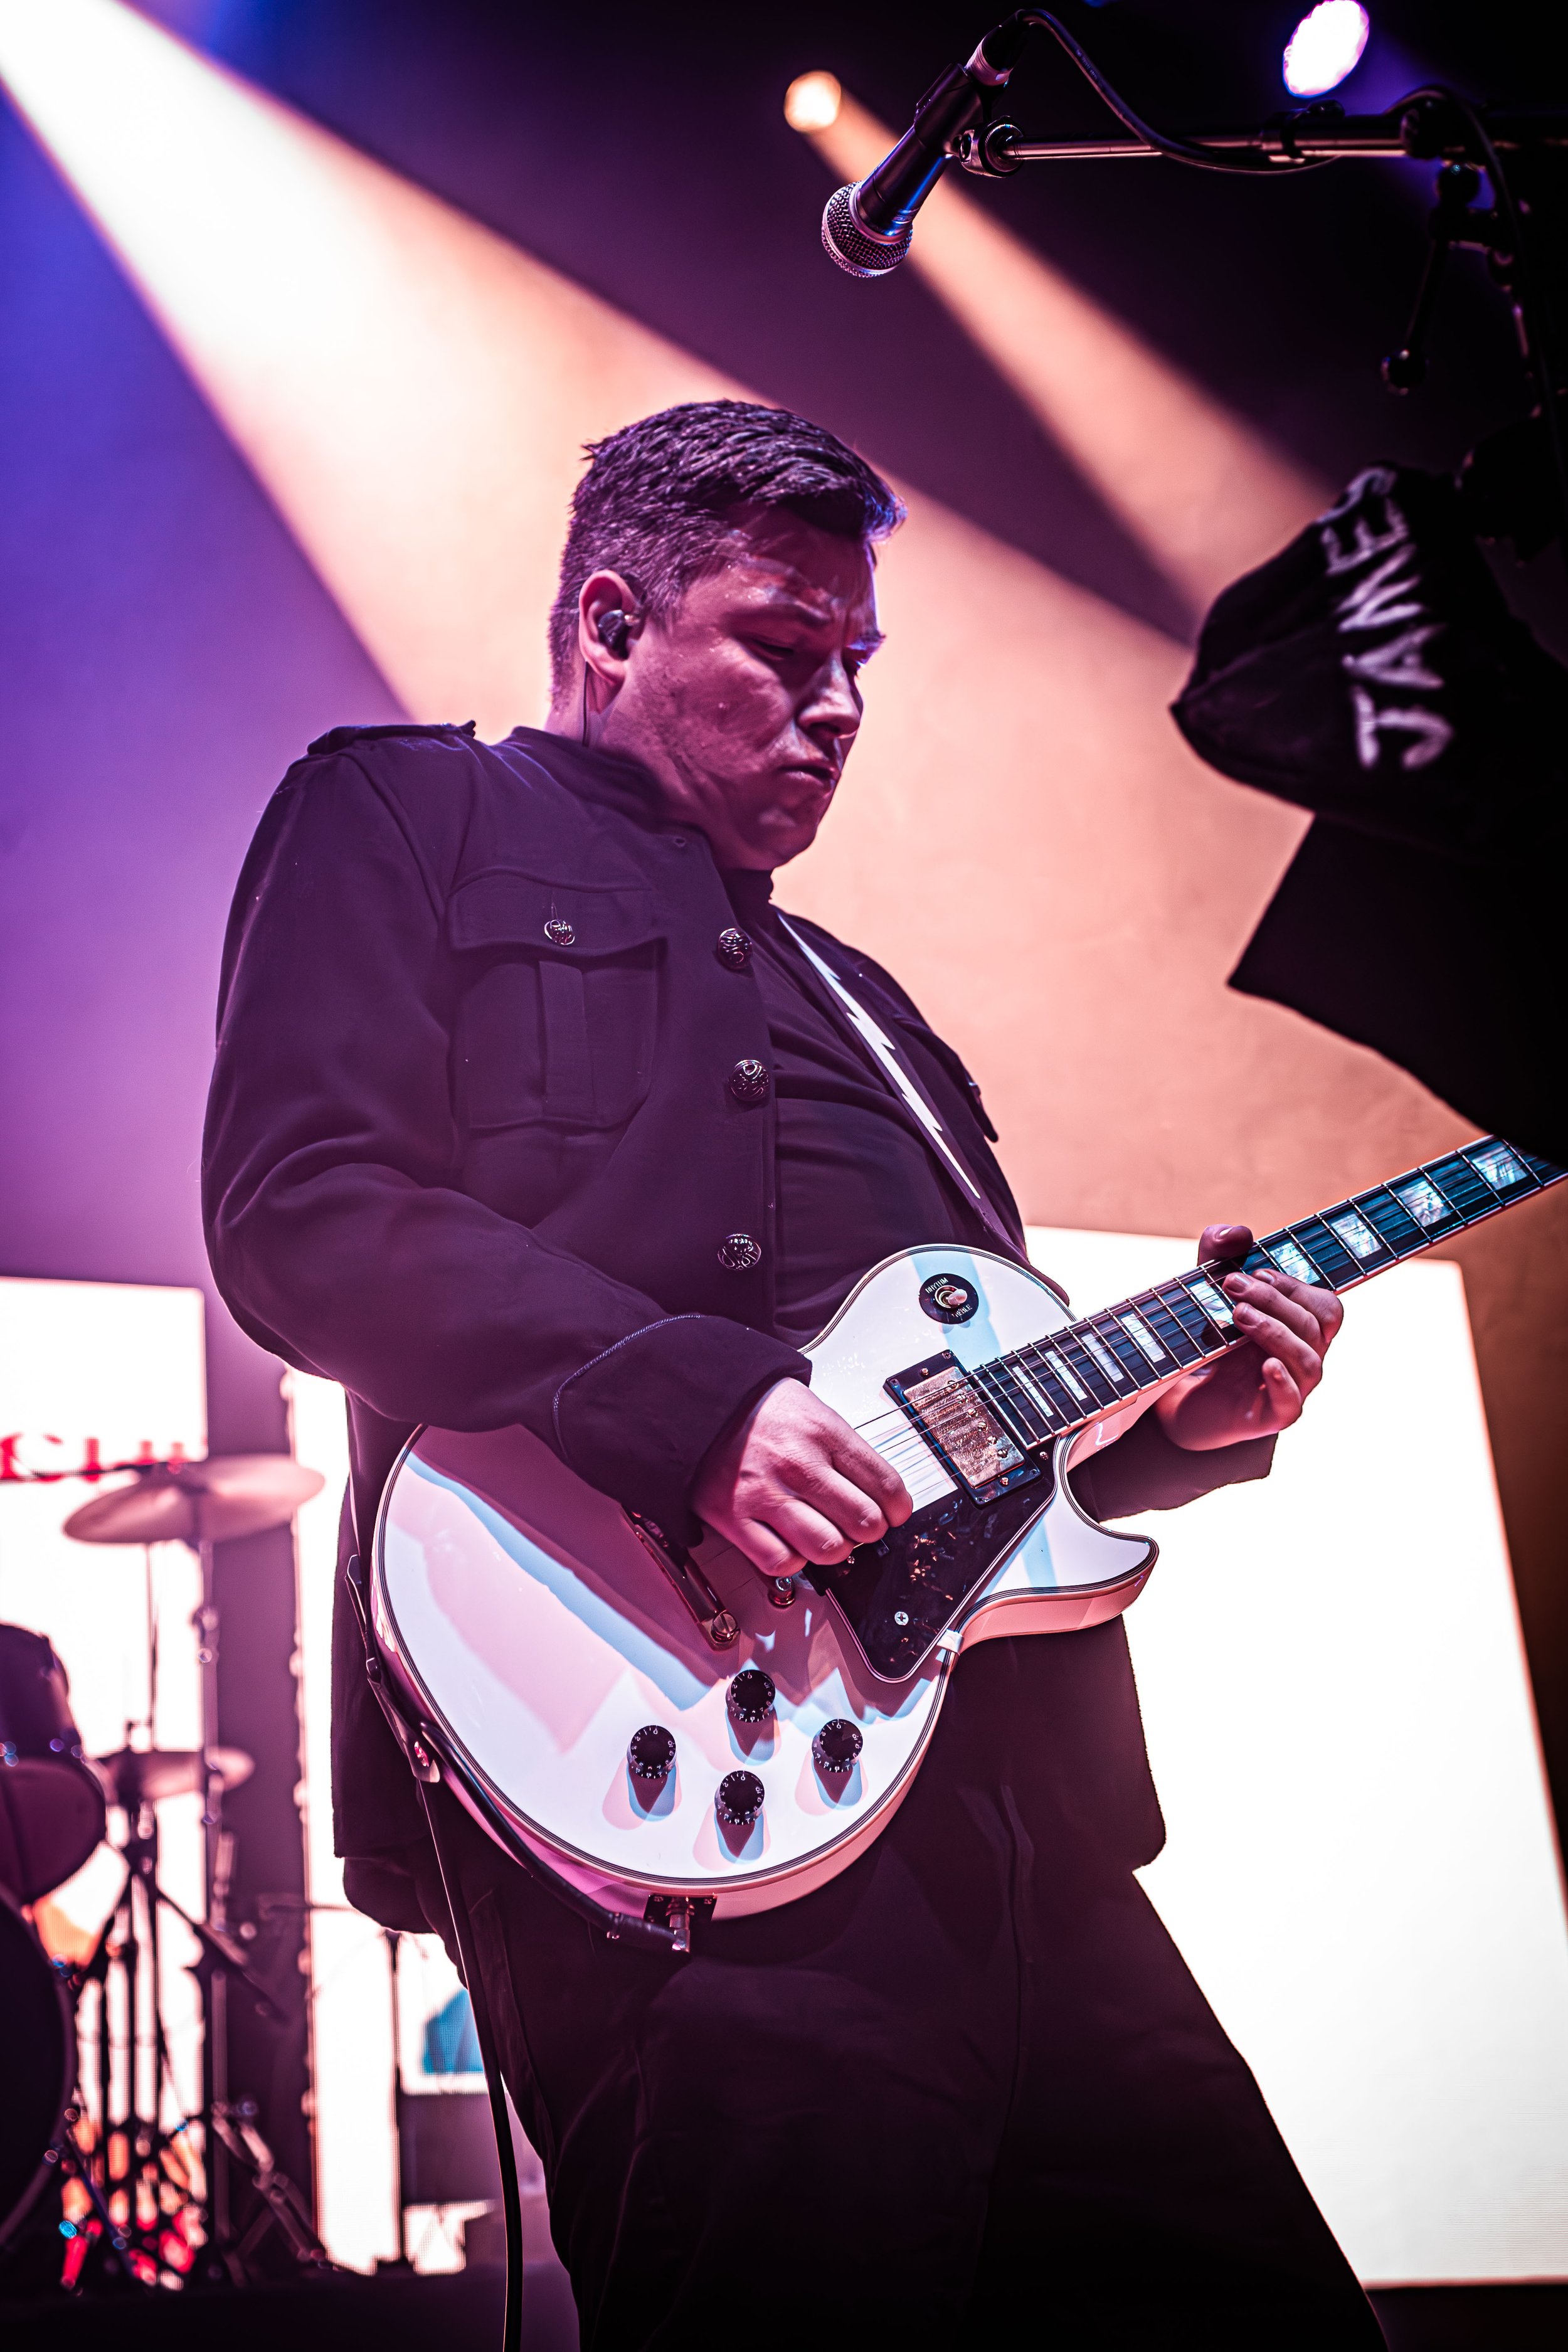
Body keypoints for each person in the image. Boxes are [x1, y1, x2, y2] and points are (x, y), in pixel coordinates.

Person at [203, 400, 1380, 2347]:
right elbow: (302, 1212)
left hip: (1016, 1816)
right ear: (608, 623)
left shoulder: (876, 1012)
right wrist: (692, 1404)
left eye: (859, 662)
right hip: (674, 1795)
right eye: (780, 644)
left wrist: (1175, 1432)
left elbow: (959, 1444)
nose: (836, 707)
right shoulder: (403, 816)